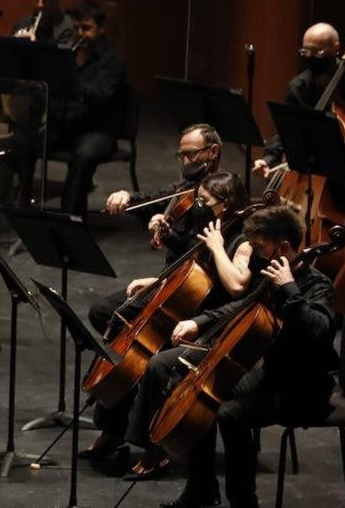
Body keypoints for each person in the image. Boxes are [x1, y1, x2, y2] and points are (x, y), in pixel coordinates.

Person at [136, 205, 337, 508]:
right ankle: (201, 487)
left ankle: (244, 502)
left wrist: (290, 290)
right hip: (271, 375)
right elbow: (242, 307)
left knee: (230, 413)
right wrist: (199, 322)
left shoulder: (317, 285)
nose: (254, 254)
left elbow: (319, 331)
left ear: (283, 247)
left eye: (259, 246)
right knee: (201, 393)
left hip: (303, 388)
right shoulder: (271, 275)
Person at [83, 172, 252, 479]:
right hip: (189, 310)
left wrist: (216, 246)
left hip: (211, 324)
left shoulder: (243, 240)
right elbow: (191, 272)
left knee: (154, 363)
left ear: (225, 205)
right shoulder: (211, 227)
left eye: (205, 201)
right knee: (128, 346)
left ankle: (154, 448)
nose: (197, 205)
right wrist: (155, 281)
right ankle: (112, 431)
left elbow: (236, 287)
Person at [0, 0, 127, 214]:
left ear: (101, 29)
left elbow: (100, 96)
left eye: (87, 28)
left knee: (84, 155)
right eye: (76, 28)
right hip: (59, 127)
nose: (80, 33)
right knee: (7, 146)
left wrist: (66, 75)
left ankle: (70, 217)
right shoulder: (64, 55)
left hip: (96, 130)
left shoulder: (112, 61)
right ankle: (1, 211)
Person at [254, 21, 345, 177]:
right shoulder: (299, 87)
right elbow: (287, 129)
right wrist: (269, 159)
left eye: (317, 53)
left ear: (336, 48)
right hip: (312, 171)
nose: (310, 57)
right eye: (305, 52)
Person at [104, 123, 223, 263]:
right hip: (174, 269)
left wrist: (169, 234)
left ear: (213, 151)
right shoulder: (186, 186)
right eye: (182, 155)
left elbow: (198, 251)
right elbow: (156, 199)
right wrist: (127, 196)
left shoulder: (217, 197)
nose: (185, 162)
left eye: (191, 154)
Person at [11, 0, 75, 46]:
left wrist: (31, 45)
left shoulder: (68, 28)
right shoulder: (22, 24)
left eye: (45, 0)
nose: (40, 5)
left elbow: (59, 57)